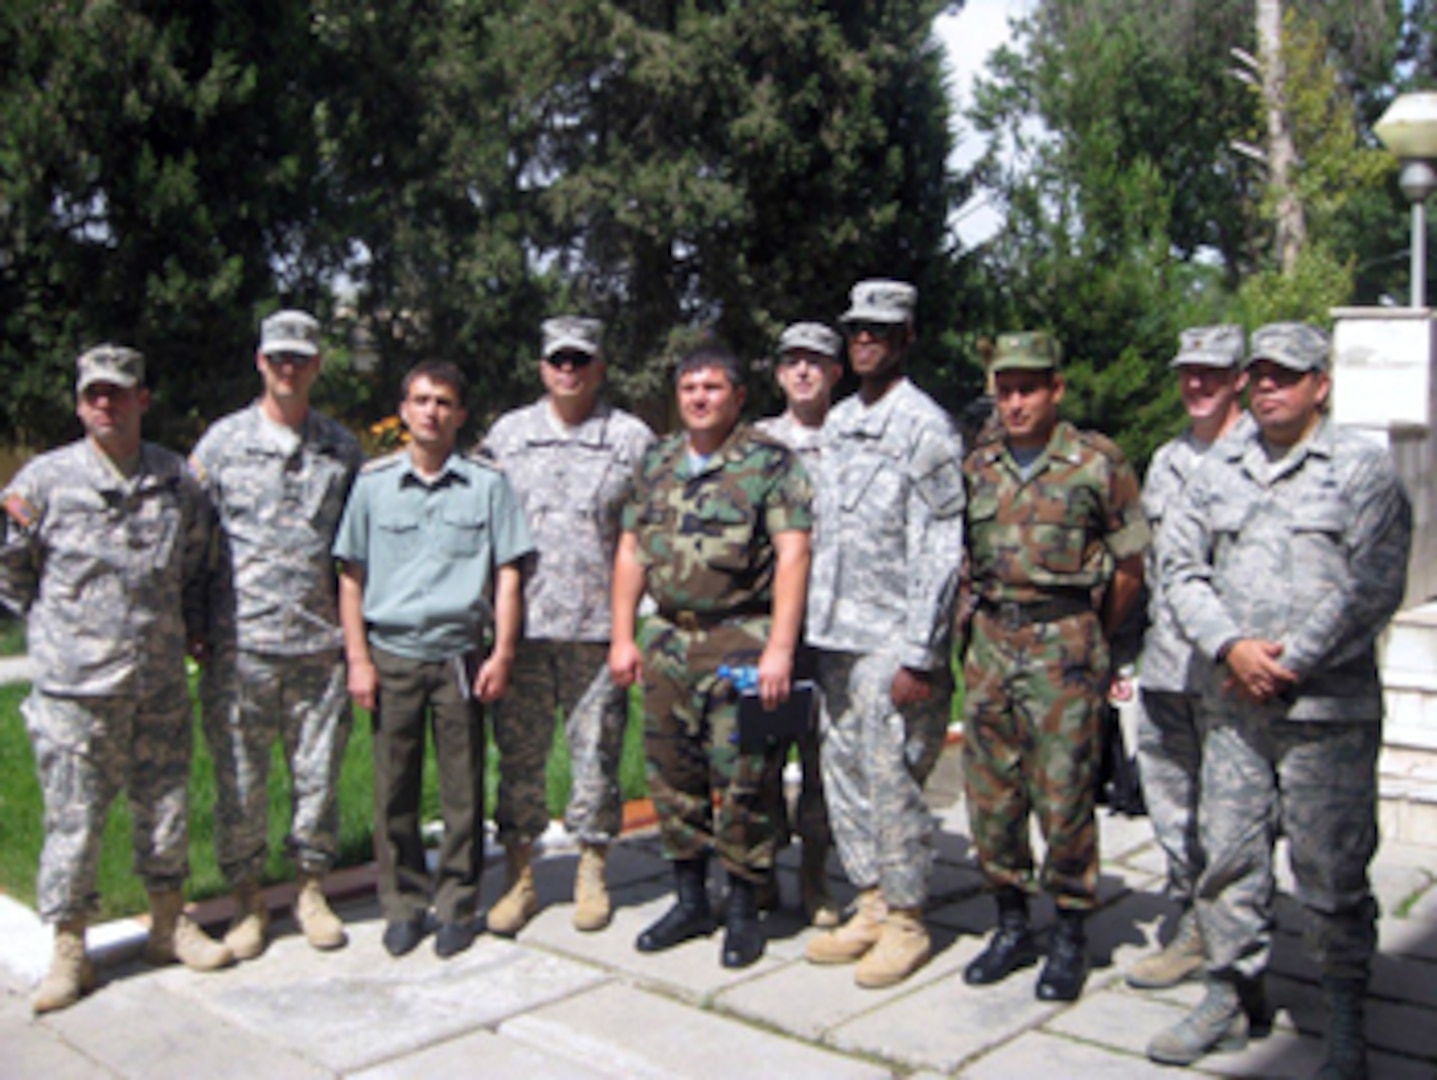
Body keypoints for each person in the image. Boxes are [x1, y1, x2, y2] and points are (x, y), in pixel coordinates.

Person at [1148, 323, 1411, 1078]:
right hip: (1231, 708)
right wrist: (1229, 646)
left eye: (1285, 376)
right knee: (1227, 860)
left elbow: (1374, 585)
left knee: (1329, 871)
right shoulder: (1215, 468)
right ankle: (1230, 995)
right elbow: (1180, 570)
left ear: (1319, 386)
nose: (1267, 387)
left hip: (1326, 716)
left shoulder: (1360, 471)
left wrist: (1289, 661)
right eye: (1259, 375)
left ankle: (1341, 1011)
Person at [1, 346, 232, 1014]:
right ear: (79, 403)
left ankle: (168, 924)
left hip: (156, 678)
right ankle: (70, 951)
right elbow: (12, 574)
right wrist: (60, 636)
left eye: (119, 392)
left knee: (164, 809)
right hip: (76, 690)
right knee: (73, 822)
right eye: (94, 393)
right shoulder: (42, 483)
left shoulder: (174, 479)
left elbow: (194, 562)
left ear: (142, 400)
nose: (106, 403)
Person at [610, 341, 812, 970]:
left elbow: (794, 553)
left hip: (741, 641)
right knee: (673, 776)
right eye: (690, 388)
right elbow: (630, 552)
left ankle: (746, 905)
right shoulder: (657, 461)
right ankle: (692, 897)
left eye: (713, 388)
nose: (700, 398)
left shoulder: (768, 462)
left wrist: (780, 648)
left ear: (738, 396)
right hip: (669, 640)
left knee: (744, 778)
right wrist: (623, 635)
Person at [960, 331, 1148, 1002]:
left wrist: (1090, 632)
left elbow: (1129, 564)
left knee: (1063, 795)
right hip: (988, 643)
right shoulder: (977, 464)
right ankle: (1011, 923)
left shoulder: (1096, 463)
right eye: (1004, 389)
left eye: (1028, 388)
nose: (1014, 402)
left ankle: (1069, 930)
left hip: (1062, 641)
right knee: (990, 795)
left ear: (1055, 390)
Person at [334, 361, 533, 959]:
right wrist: (358, 659)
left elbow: (507, 574)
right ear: (403, 410)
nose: (431, 412)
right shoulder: (372, 485)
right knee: (394, 789)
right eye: (420, 400)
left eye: (444, 402)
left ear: (461, 415)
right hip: (392, 653)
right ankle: (402, 905)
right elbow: (351, 577)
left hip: (458, 657)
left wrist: (501, 651)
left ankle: (456, 904)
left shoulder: (487, 485)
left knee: (461, 790)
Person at [803, 280, 966, 989]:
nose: (864, 340)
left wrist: (922, 653)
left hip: (892, 640)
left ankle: (906, 918)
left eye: (879, 331)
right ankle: (869, 899)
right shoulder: (837, 423)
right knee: (843, 772)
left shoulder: (925, 427)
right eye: (856, 331)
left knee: (890, 776)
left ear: (904, 339)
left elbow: (940, 545)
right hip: (835, 632)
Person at [191, 309, 364, 958]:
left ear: (316, 365)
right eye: (276, 358)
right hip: (241, 646)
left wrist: (355, 644)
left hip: (318, 648)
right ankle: (247, 901)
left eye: (300, 358)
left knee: (317, 780)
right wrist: (195, 624)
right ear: (261, 363)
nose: (287, 368)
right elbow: (192, 542)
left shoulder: (341, 449)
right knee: (240, 783)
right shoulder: (220, 445)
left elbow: (354, 551)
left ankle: (309, 891)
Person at [480, 316, 654, 935]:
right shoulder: (508, 436)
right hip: (519, 632)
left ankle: (591, 871)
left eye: (581, 360)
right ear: (542, 368)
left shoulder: (630, 439)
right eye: (559, 360)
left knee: (597, 759)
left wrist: (632, 630)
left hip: (597, 629)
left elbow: (644, 535)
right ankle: (520, 876)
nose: (569, 371)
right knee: (520, 759)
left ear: (600, 368)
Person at [1125, 325, 1249, 991]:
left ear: (1239, 379)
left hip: (1230, 673)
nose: (1196, 385)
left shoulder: (1260, 457)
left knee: (1229, 813)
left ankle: (1232, 937)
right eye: (1187, 372)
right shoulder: (1167, 459)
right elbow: (1150, 565)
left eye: (1212, 373)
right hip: (1165, 665)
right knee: (1171, 805)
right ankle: (1192, 920)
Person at [752, 320, 844, 928]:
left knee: (823, 760)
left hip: (836, 623)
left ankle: (815, 875)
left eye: (816, 362)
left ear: (836, 372)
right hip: (763, 624)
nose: (804, 371)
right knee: (756, 754)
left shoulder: (855, 434)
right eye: (793, 362)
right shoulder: (756, 441)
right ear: (780, 372)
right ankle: (758, 873)